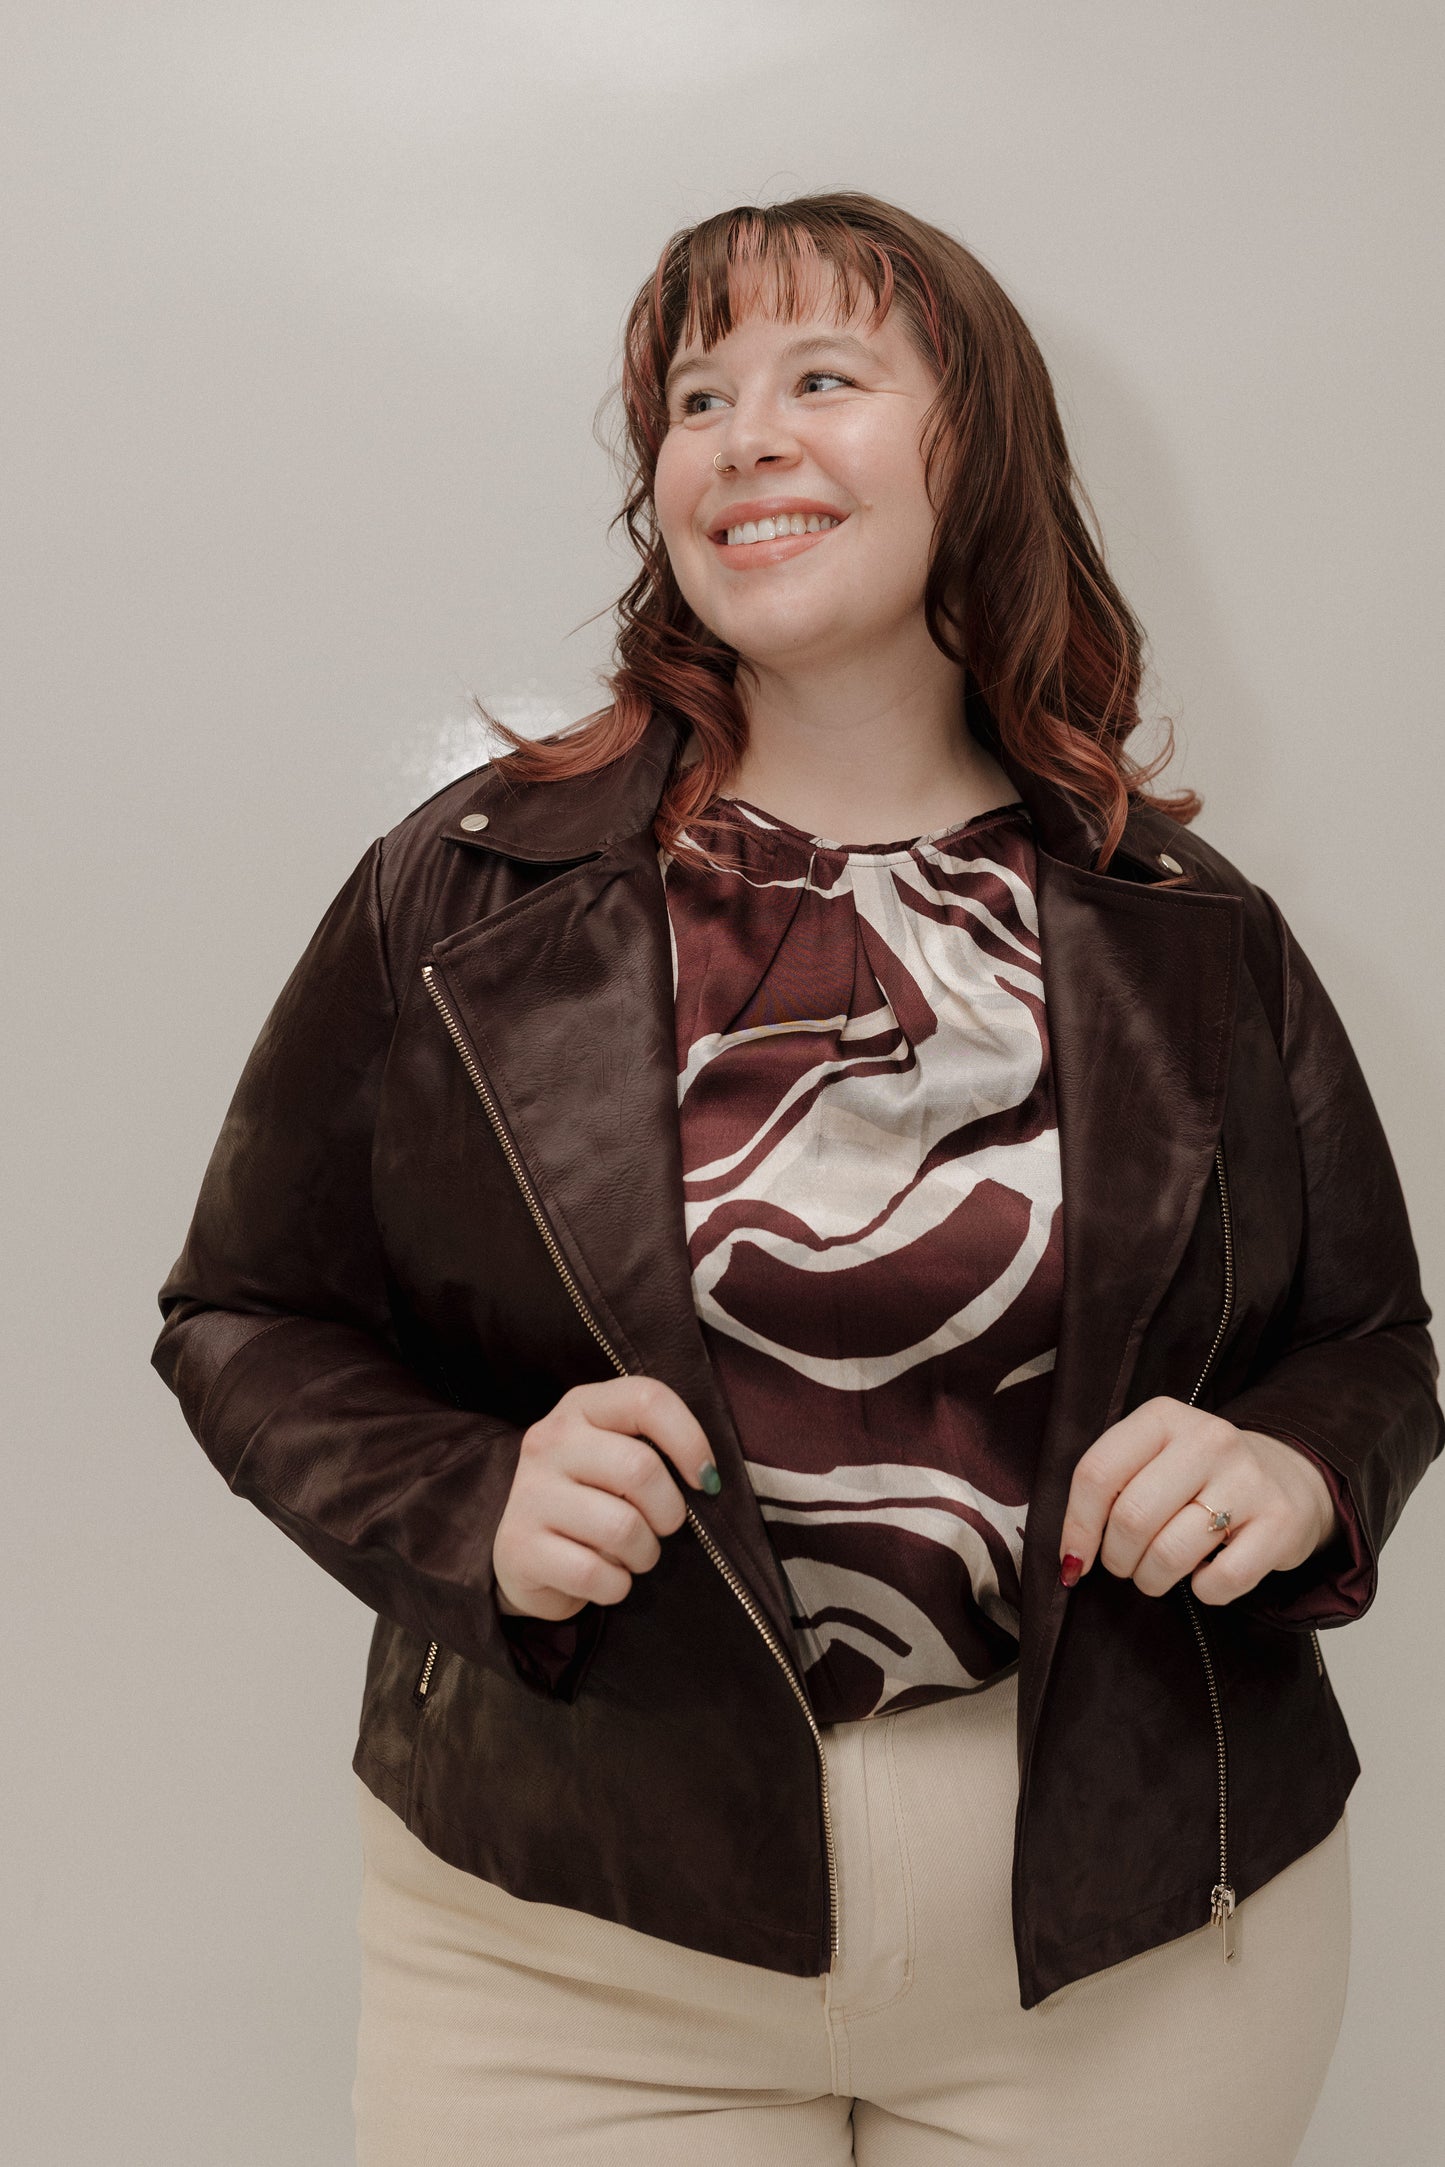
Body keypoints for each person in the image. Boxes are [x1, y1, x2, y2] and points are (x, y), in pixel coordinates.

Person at [151, 192, 1442, 2165]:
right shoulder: (463, 892)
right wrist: (473, 1497)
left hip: (1136, 1957)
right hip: (563, 1960)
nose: (741, 433)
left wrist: (1284, 1468)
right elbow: (244, 1312)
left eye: (823, 378)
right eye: (693, 395)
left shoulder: (1192, 927)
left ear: (977, 451)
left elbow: (1364, 1340)